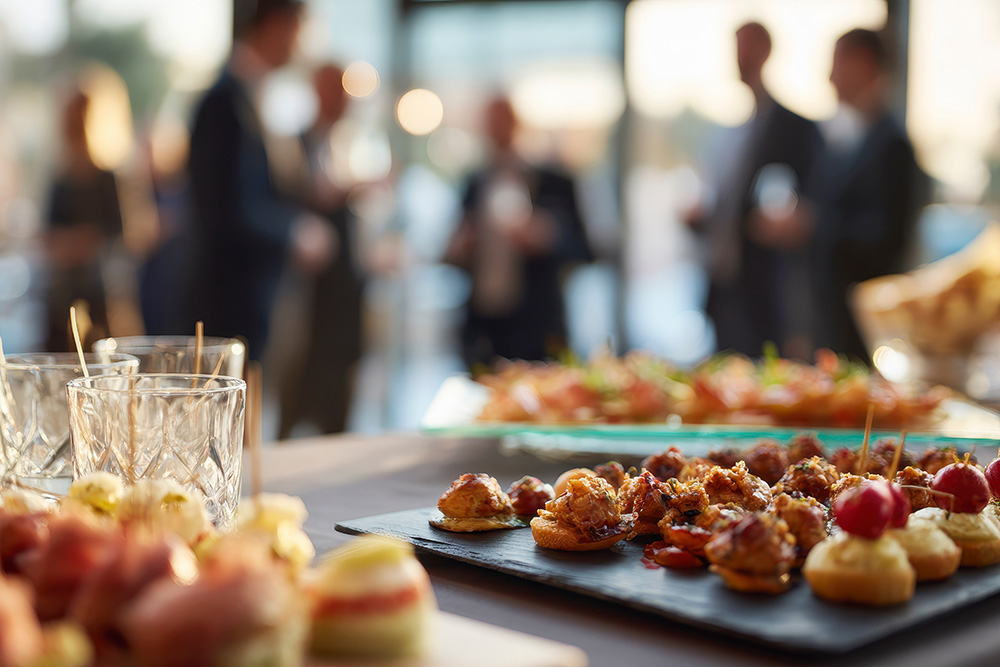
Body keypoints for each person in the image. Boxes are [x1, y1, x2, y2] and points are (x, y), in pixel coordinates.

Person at [186, 0, 331, 361]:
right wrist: (293, 233)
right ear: (276, 26)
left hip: (248, 298)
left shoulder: (253, 97)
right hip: (228, 301)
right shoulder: (223, 103)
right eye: (298, 31)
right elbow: (224, 210)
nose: (300, 44)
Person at [794, 29, 925, 360]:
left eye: (837, 63)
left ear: (864, 64)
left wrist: (814, 226)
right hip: (834, 326)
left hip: (865, 335)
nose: (829, 76)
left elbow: (885, 238)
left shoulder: (891, 146)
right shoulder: (850, 138)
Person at [696, 22, 822, 357]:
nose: (739, 57)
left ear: (765, 51)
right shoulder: (732, 133)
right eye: (736, 47)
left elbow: (812, 208)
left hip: (768, 294)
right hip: (725, 287)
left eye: (747, 47)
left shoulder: (796, 128)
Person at [445, 96, 592, 368]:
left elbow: (585, 249)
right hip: (484, 328)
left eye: (502, 120)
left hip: (535, 327)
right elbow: (452, 252)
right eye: (491, 121)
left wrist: (546, 236)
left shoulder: (555, 181)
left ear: (516, 123)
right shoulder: (474, 182)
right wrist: (461, 247)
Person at [277, 63, 364, 437]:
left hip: (346, 291)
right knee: (297, 388)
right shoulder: (293, 146)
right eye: (334, 89)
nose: (341, 100)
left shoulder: (353, 144)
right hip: (308, 292)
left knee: (339, 395)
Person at [43, 89, 123, 351]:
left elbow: (118, 234)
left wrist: (83, 243)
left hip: (100, 293)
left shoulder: (107, 178)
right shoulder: (59, 180)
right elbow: (48, 237)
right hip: (61, 297)